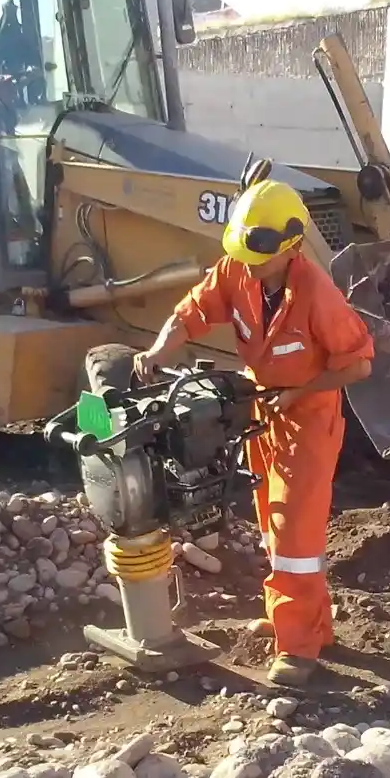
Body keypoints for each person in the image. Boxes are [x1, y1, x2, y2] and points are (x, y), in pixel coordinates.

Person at [133, 175, 374, 686]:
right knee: (275, 524)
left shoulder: (317, 295)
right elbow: (192, 311)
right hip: (263, 412)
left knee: (295, 536)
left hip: (308, 420)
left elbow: (358, 365)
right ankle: (307, 624)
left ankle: (299, 649)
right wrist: (158, 352)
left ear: (289, 249)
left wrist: (302, 390)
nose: (248, 264)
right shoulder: (238, 272)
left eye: (257, 256)